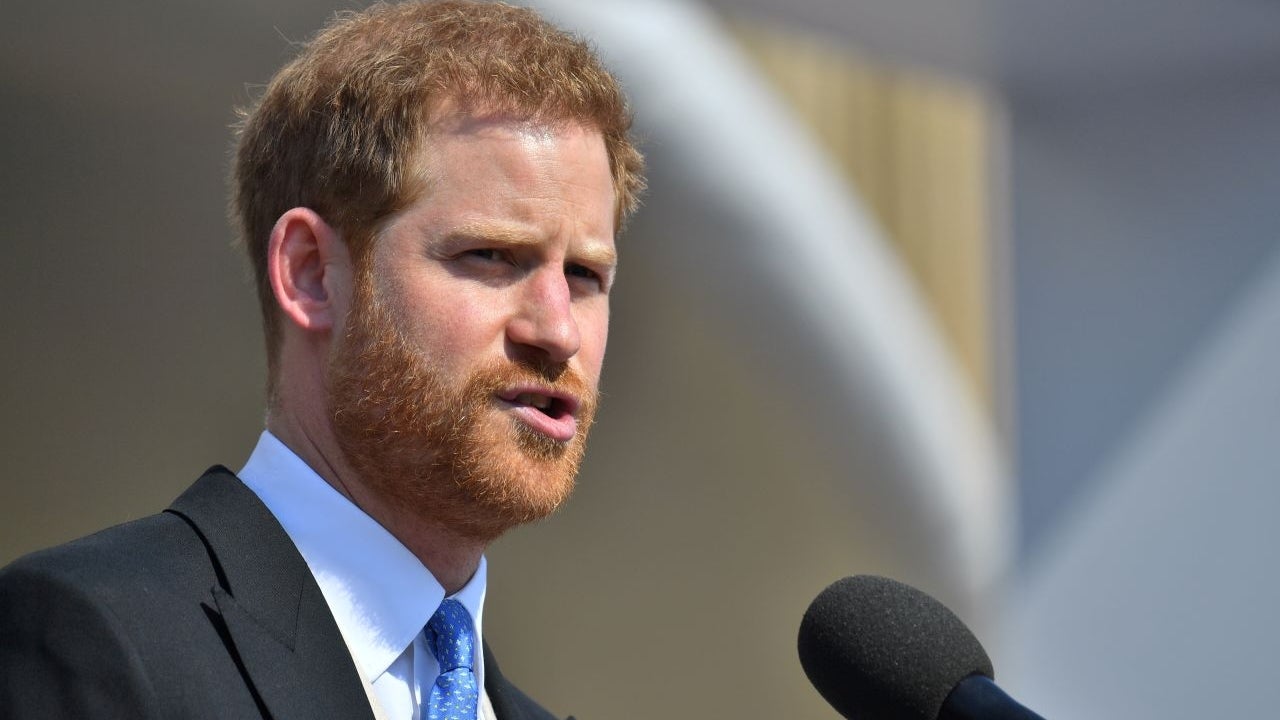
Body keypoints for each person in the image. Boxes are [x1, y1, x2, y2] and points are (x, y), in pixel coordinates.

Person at [0, 2, 644, 718]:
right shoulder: (96, 638)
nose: (559, 331)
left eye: (586, 275)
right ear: (311, 273)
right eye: (490, 255)